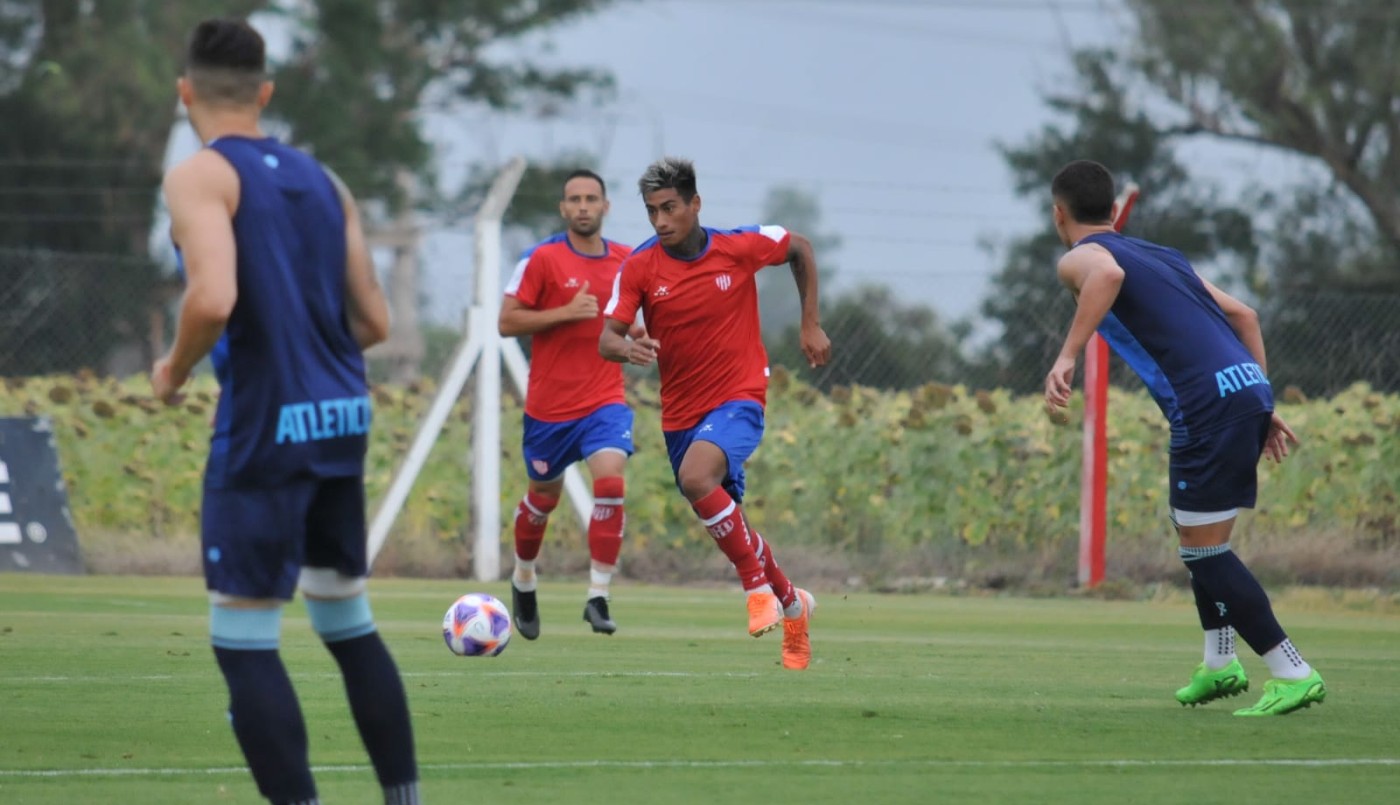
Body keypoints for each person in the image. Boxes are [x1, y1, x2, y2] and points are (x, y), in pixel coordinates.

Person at [150, 18, 420, 803]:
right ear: (265, 93)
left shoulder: (201, 176)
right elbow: (375, 321)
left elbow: (213, 297)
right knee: (346, 621)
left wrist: (172, 369)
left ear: (185, 93)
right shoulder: (323, 180)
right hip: (341, 419)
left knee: (243, 637)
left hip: (268, 422)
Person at [1043, 159, 1325, 716]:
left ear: (1059, 214)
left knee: (1205, 552)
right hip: (1245, 387)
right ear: (1112, 209)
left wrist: (1067, 355)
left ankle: (1292, 670)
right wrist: (1260, 401)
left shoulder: (1079, 256)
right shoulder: (1163, 255)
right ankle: (1220, 664)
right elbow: (1245, 315)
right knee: (1197, 536)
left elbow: (1106, 277)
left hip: (1205, 406)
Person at [599, 156, 831, 670]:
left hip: (740, 396)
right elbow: (607, 339)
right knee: (732, 523)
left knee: (696, 477)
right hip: (681, 415)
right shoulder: (639, 266)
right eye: (652, 211)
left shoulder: (737, 247)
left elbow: (799, 247)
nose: (660, 221)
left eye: (670, 208)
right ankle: (793, 605)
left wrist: (810, 323)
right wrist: (628, 349)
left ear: (695, 204)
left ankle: (756, 591)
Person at [499, 169, 635, 638]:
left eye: (591, 198)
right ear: (563, 208)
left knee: (611, 481)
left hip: (604, 401)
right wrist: (565, 313)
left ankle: (598, 596)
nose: (583, 206)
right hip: (549, 410)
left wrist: (642, 337)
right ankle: (523, 577)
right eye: (574, 199)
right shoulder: (542, 258)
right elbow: (506, 322)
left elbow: (637, 319)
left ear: (605, 206)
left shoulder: (627, 260)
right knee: (543, 498)